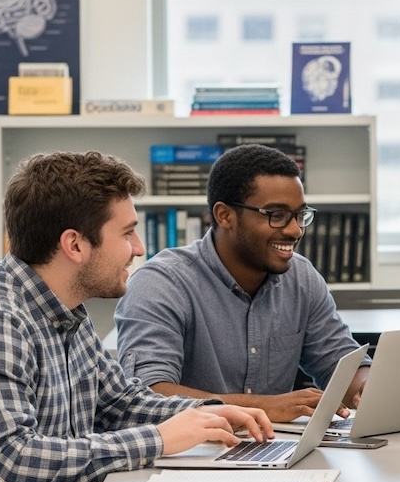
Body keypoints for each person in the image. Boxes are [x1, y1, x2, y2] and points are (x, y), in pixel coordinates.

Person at [0, 151, 273, 482]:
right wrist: (159, 440)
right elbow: (11, 464)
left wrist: (208, 414)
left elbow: (119, 404)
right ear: (76, 245)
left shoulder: (65, 311)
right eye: (127, 233)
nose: (140, 248)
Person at [115, 144, 369, 423]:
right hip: (187, 456)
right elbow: (147, 396)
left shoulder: (302, 278)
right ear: (225, 215)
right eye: (276, 215)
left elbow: (341, 363)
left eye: (299, 215)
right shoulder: (161, 284)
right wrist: (261, 407)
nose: (295, 230)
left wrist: (367, 387)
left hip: (275, 451)